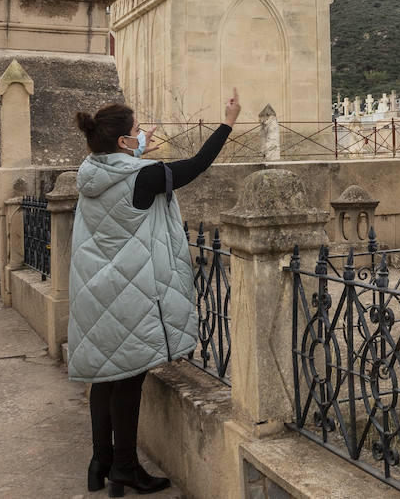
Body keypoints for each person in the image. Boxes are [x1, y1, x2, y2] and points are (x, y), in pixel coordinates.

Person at [69, 89, 241, 496]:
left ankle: (101, 463)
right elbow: (198, 165)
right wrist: (228, 121)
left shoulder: (90, 172)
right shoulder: (140, 177)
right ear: (124, 142)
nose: (143, 134)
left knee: (104, 377)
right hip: (129, 293)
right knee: (128, 379)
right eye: (137, 130)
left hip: (95, 289)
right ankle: (125, 469)